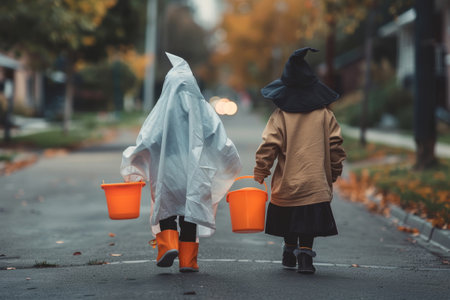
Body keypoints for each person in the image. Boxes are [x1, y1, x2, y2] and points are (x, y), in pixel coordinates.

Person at [121, 53, 242, 272]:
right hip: (195, 174)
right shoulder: (203, 109)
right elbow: (219, 139)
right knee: (190, 213)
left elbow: (147, 140)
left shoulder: (160, 112)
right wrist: (230, 157)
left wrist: (132, 158)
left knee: (166, 208)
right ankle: (188, 260)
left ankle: (167, 244)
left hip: (166, 173)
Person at [253, 47, 346, 274]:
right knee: (308, 219)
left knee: (289, 215)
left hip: (288, 182)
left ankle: (288, 249)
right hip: (315, 181)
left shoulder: (280, 115)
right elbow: (336, 146)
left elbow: (269, 145)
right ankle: (305, 255)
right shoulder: (325, 115)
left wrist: (261, 169)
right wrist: (333, 171)